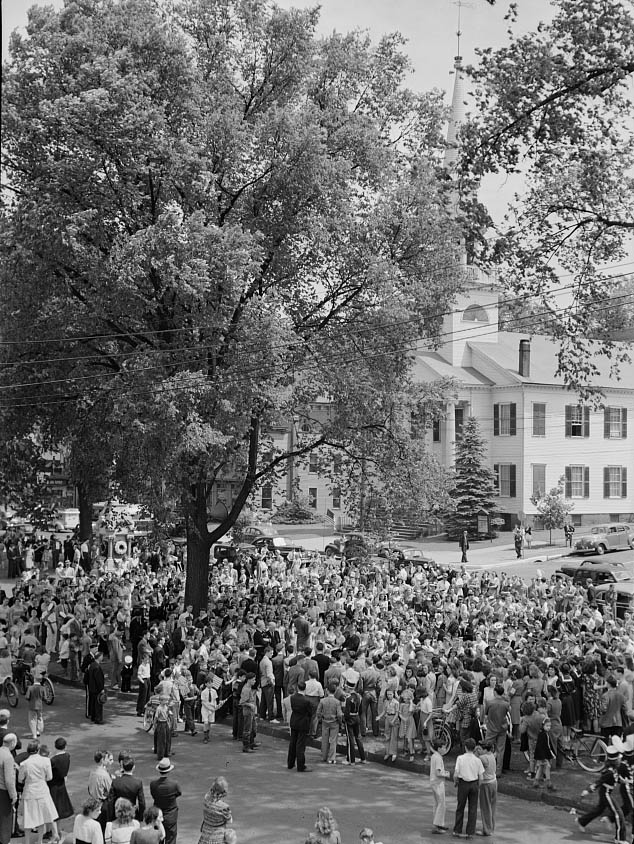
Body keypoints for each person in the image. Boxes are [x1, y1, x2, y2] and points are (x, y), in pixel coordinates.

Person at [577, 744, 627, 842]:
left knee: (599, 810)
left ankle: (581, 821)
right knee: (618, 813)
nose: (620, 760)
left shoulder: (614, 769)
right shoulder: (609, 772)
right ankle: (620, 839)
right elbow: (598, 782)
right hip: (606, 794)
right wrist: (587, 791)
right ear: (615, 760)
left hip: (606, 792)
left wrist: (623, 781)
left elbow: (616, 778)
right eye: (619, 759)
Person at [18, 740, 60, 844]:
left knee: (28, 819)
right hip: (42, 790)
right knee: (41, 818)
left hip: (29, 791)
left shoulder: (24, 764)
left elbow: (20, 779)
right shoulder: (46, 761)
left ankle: (27, 842)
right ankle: (39, 841)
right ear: (37, 750)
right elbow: (49, 777)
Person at [452, 738, 484, 840]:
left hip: (463, 783)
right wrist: (478, 786)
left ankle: (457, 830)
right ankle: (470, 832)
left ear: (465, 747)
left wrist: (455, 782)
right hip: (474, 783)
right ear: (474, 748)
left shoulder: (460, 758)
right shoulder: (478, 760)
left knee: (460, 807)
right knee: (473, 808)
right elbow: (481, 777)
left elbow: (456, 774)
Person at [149, 759, 181, 844]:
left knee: (158, 837)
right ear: (169, 770)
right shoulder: (174, 784)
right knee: (171, 837)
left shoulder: (153, 784)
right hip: (171, 814)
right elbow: (178, 793)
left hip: (157, 813)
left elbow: (153, 795)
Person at [107, 756, 145, 823]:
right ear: (133, 768)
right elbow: (142, 802)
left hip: (118, 814)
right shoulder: (137, 783)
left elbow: (110, 801)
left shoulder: (116, 782)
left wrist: (111, 817)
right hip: (132, 813)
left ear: (122, 767)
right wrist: (140, 816)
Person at [197, 776, 232, 844]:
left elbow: (209, 795)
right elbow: (230, 821)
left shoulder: (206, 800)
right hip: (218, 837)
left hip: (205, 834)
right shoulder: (224, 807)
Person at [288, 680, 313, 773]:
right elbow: (310, 713)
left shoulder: (292, 698)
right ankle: (301, 765)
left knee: (293, 742)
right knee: (300, 745)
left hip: (294, 721)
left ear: (297, 688)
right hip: (303, 723)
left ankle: (290, 763)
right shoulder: (306, 701)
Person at [48, 737, 74, 823]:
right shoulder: (67, 756)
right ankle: (58, 830)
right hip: (61, 783)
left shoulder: (53, 760)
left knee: (53, 808)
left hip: (53, 784)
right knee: (60, 807)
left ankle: (53, 831)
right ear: (65, 746)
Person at [316, 683, 343, 765]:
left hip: (325, 721)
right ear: (334, 692)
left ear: (327, 691)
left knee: (324, 739)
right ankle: (332, 758)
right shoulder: (337, 702)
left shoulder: (322, 701)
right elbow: (339, 714)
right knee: (333, 740)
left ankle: (324, 756)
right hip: (334, 722)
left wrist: (320, 719)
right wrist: (340, 722)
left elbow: (318, 712)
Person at [475, 742, 497, 837]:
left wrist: (476, 752)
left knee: (485, 808)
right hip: (494, 783)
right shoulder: (492, 755)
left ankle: (487, 830)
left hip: (486, 784)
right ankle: (491, 827)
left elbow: (475, 761)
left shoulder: (482, 758)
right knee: (492, 807)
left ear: (484, 749)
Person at [0, 733, 18, 844]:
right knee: (5, 818)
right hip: (3, 791)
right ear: (12, 743)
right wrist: (14, 795)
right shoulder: (8, 757)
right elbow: (9, 780)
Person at [429, 738, 449, 835]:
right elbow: (438, 772)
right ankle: (437, 825)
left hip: (434, 782)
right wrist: (446, 774)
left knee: (437, 803)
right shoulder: (438, 758)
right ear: (439, 748)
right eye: (444, 747)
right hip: (438, 783)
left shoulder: (434, 756)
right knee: (441, 803)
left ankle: (439, 823)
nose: (445, 749)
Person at [532, 718, 557, 792]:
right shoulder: (544, 735)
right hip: (543, 755)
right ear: (543, 726)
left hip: (540, 755)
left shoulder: (542, 734)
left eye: (549, 726)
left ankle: (536, 782)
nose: (548, 727)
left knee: (540, 767)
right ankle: (548, 783)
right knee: (547, 767)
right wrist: (551, 754)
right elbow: (546, 746)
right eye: (547, 726)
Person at [379, 688, 400, 762]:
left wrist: (393, 721)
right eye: (388, 694)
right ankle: (387, 752)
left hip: (394, 718)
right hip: (387, 718)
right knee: (387, 736)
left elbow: (397, 713)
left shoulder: (396, 702)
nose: (389, 696)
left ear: (393, 694)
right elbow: (384, 711)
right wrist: (379, 716)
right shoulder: (386, 702)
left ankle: (393, 753)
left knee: (394, 736)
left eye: (390, 694)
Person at [86, 652, 106, 725]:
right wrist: (101, 688)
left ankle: (93, 716)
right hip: (97, 688)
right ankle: (98, 718)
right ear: (99, 657)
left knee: (93, 703)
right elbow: (99, 679)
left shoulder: (92, 665)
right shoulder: (97, 667)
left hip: (92, 687)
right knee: (98, 703)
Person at [25, 675, 44, 739]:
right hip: (40, 706)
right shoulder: (42, 688)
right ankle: (39, 731)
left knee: (32, 720)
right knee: (40, 718)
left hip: (32, 706)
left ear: (34, 680)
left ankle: (34, 734)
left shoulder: (30, 688)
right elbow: (45, 698)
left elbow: (27, 697)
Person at [200, 677, 218, 744]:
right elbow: (203, 702)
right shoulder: (204, 692)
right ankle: (205, 737)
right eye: (209, 683)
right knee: (206, 722)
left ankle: (207, 735)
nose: (210, 684)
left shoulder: (214, 691)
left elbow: (215, 700)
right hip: (205, 709)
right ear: (206, 684)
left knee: (210, 722)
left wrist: (215, 706)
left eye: (211, 683)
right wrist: (208, 708)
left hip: (212, 709)